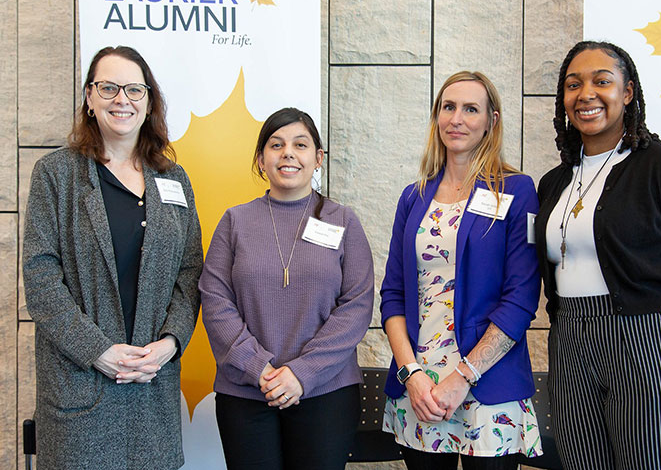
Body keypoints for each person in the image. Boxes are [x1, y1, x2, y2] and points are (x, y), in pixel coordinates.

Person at [534, 41, 661, 470]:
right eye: (574, 84)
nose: (585, 93)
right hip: (572, 339)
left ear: (627, 93)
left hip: (654, 342)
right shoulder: (554, 183)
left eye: (601, 81)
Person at [23, 46, 203, 469]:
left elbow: (190, 270)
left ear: (149, 101)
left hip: (151, 383)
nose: (122, 99)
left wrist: (169, 344)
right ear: (89, 97)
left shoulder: (172, 177)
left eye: (134, 89)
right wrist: (98, 350)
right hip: (80, 384)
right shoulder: (56, 174)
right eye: (108, 87)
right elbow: (40, 276)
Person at [380, 71, 543, 469]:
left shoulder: (518, 191)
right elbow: (393, 296)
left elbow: (521, 299)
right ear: (436, 117)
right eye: (448, 107)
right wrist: (411, 375)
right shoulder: (413, 197)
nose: (457, 118)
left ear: (492, 120)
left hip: (487, 384)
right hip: (421, 388)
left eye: (471, 109)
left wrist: (462, 377)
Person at [199, 107, 374, 470]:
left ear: (318, 158)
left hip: (327, 392)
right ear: (261, 160)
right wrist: (258, 368)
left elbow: (356, 306)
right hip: (246, 392)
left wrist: (302, 373)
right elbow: (215, 301)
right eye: (276, 145)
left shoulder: (343, 221)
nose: (288, 153)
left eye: (300, 144)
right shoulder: (235, 221)